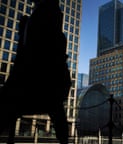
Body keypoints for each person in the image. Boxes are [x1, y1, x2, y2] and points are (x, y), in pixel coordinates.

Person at [0, 0, 71, 143]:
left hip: (38, 84)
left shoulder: (40, 19)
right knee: (57, 111)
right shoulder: (47, 25)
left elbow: (26, 58)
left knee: (5, 105)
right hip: (49, 86)